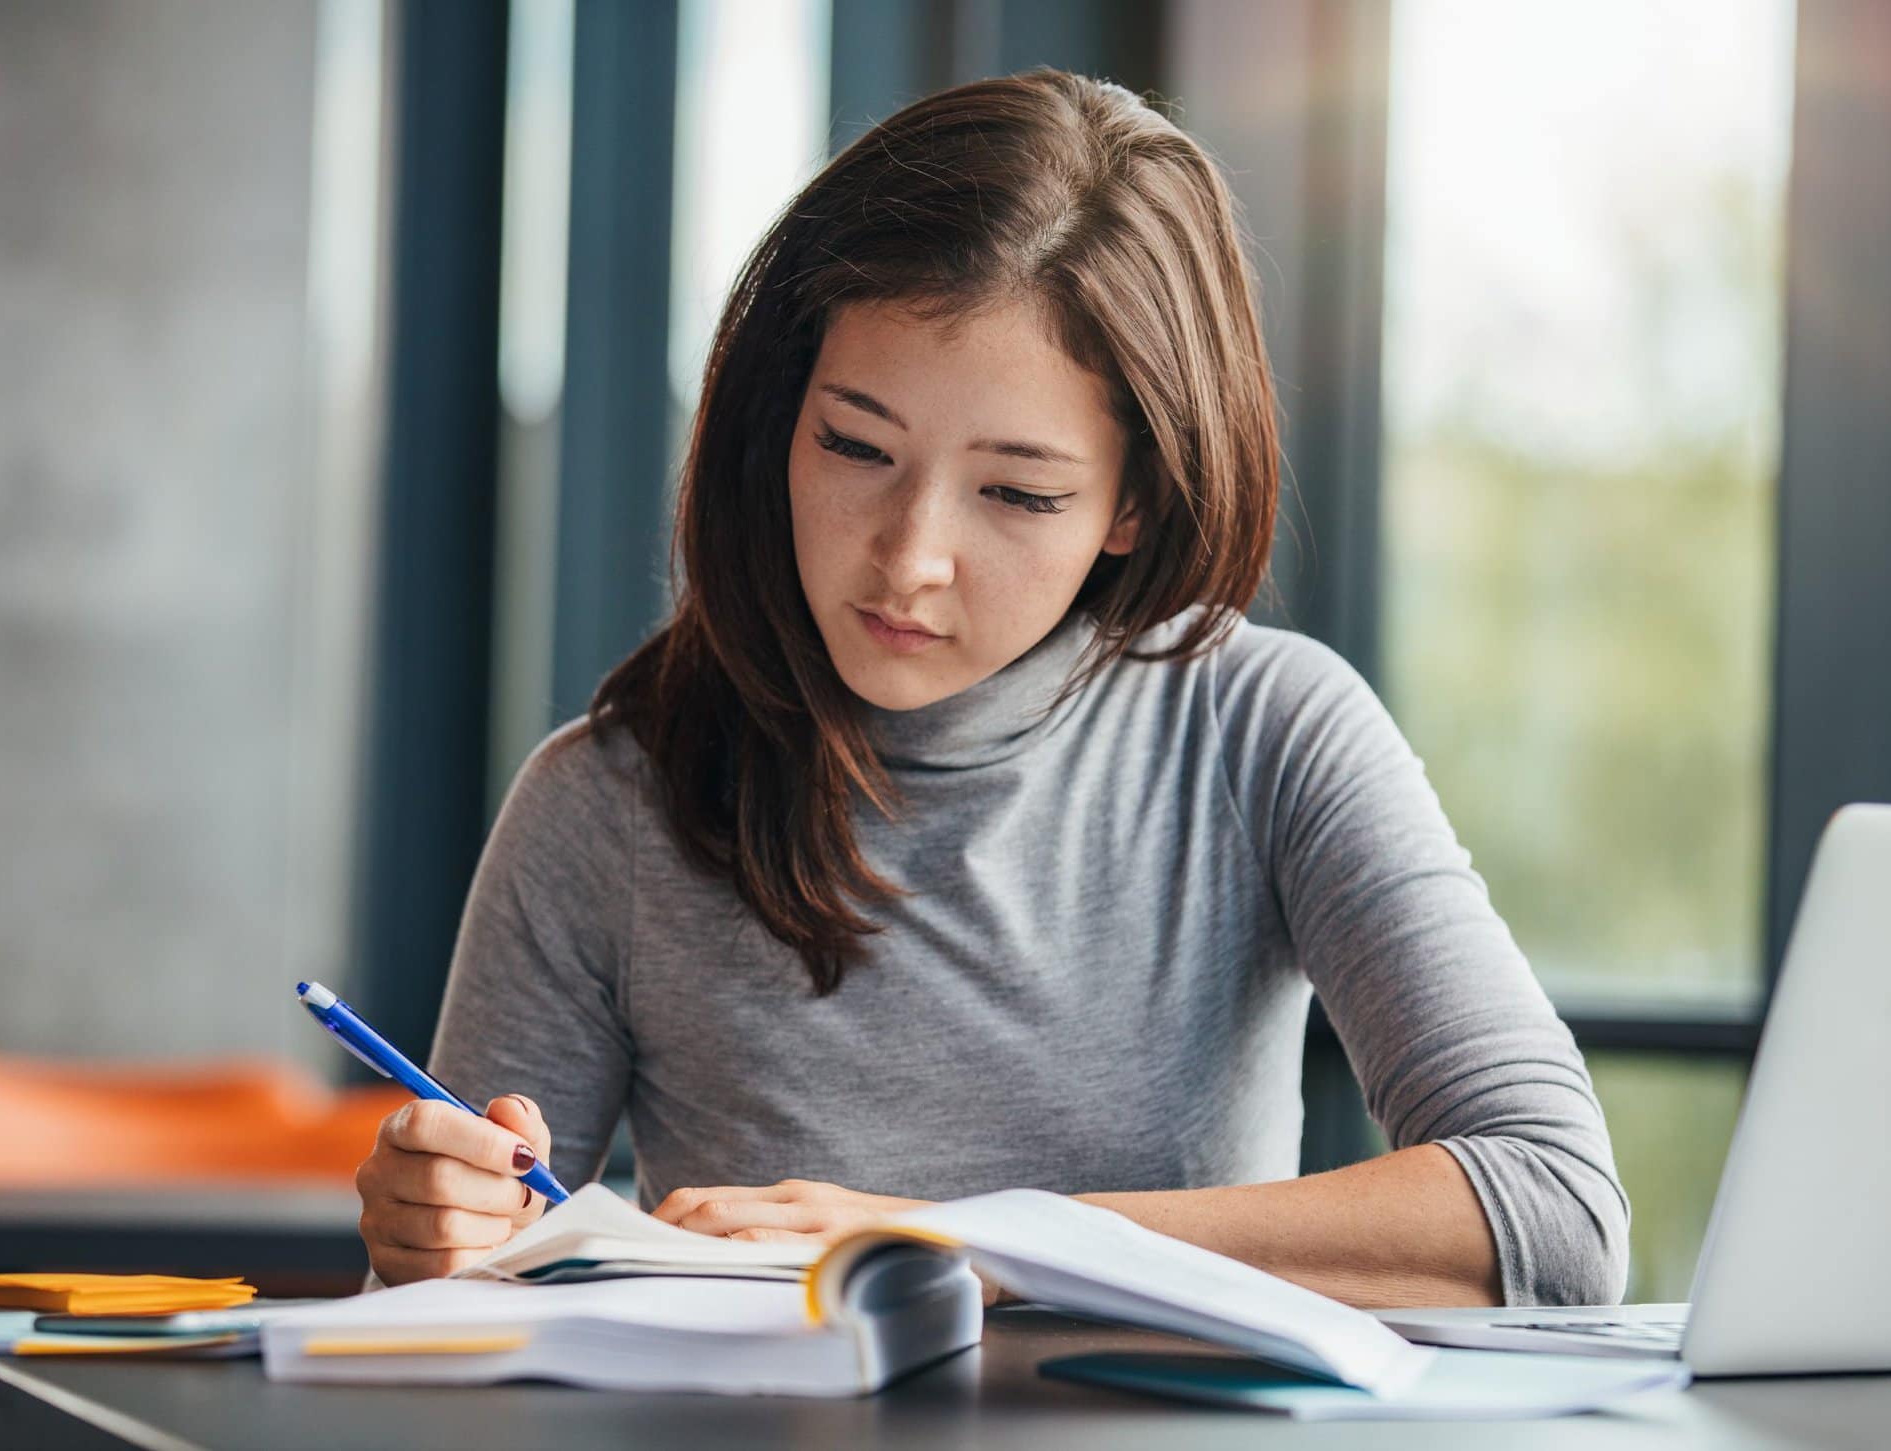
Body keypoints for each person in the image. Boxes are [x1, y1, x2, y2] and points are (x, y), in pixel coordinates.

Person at [352, 68, 1627, 1310]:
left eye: (1017, 492)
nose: (908, 559)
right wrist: (434, 1245)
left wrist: (974, 1242)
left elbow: (1555, 1210)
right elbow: (452, 1322)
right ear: (779, 415)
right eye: (855, 444)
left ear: (1134, 501)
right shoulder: (611, 802)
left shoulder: (1266, 733)